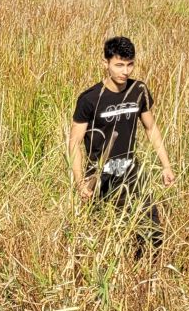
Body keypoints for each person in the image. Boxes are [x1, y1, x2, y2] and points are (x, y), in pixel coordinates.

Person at [68, 36, 175, 244]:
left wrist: (166, 165)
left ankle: (148, 272)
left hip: (131, 170)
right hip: (100, 175)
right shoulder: (89, 99)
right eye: (118, 65)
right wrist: (81, 182)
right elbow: (74, 143)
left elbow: (151, 128)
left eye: (129, 65)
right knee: (103, 235)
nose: (125, 71)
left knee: (151, 231)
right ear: (105, 63)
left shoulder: (138, 91)